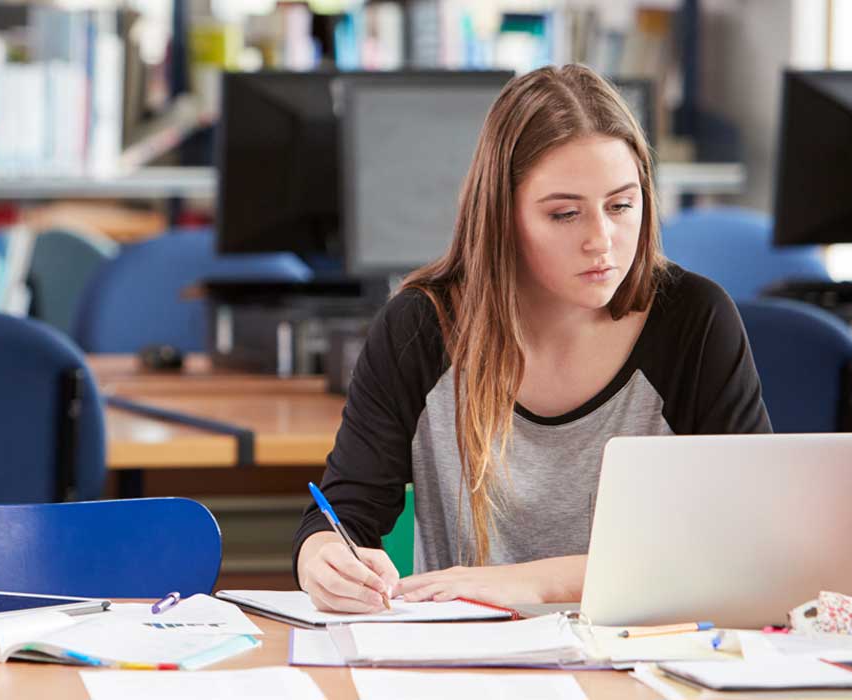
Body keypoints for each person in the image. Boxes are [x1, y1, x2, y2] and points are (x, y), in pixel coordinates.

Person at [294, 64, 771, 613]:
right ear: (502, 216)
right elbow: (343, 513)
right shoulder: (422, 327)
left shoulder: (695, 319)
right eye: (565, 214)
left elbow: (745, 543)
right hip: (467, 662)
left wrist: (538, 583)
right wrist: (323, 555)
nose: (602, 240)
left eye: (622, 205)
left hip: (648, 654)